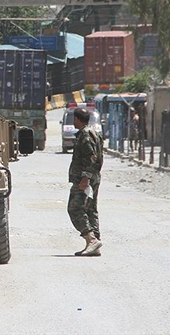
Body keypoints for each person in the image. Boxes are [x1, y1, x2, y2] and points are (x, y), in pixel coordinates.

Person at [67, 107, 105, 257]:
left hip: (85, 179)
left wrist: (85, 178)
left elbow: (91, 157)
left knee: (74, 208)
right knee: (90, 210)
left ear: (77, 119)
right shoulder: (93, 132)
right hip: (93, 177)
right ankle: (95, 244)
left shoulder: (86, 134)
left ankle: (91, 239)